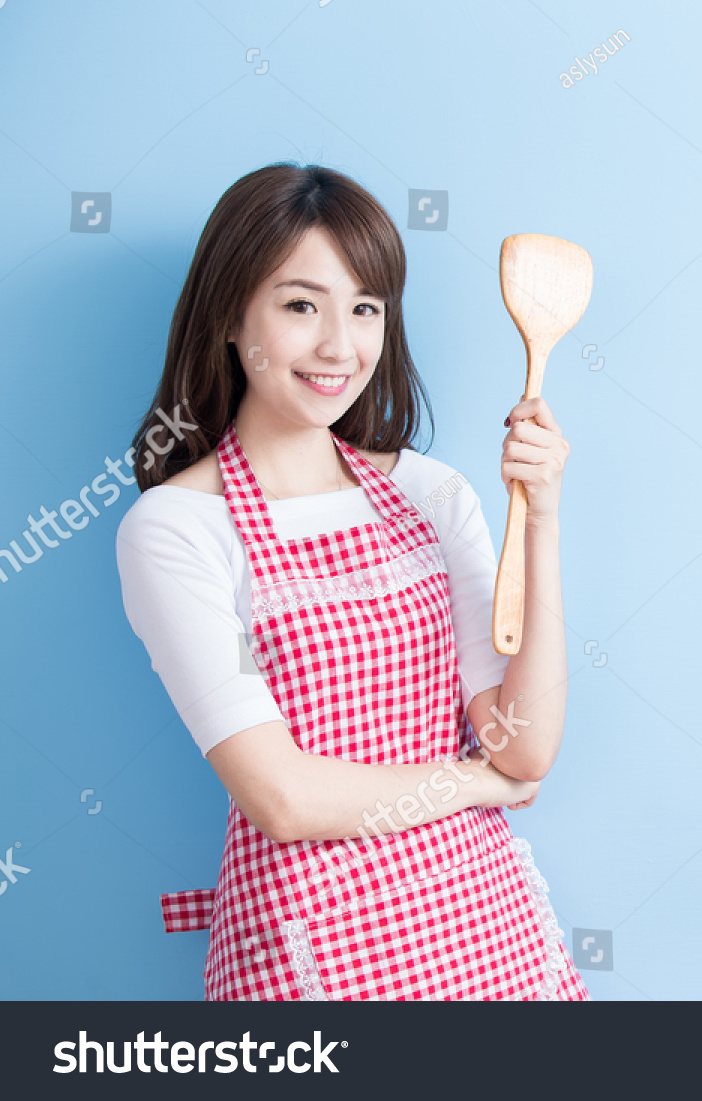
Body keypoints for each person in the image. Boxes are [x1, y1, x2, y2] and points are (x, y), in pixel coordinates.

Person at [115, 163, 588, 1000]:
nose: (341, 346)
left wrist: (542, 517)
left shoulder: (430, 493)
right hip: (313, 953)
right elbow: (285, 797)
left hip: (482, 932)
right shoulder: (177, 529)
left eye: (366, 307)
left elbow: (525, 742)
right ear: (231, 314)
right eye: (302, 305)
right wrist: (475, 781)